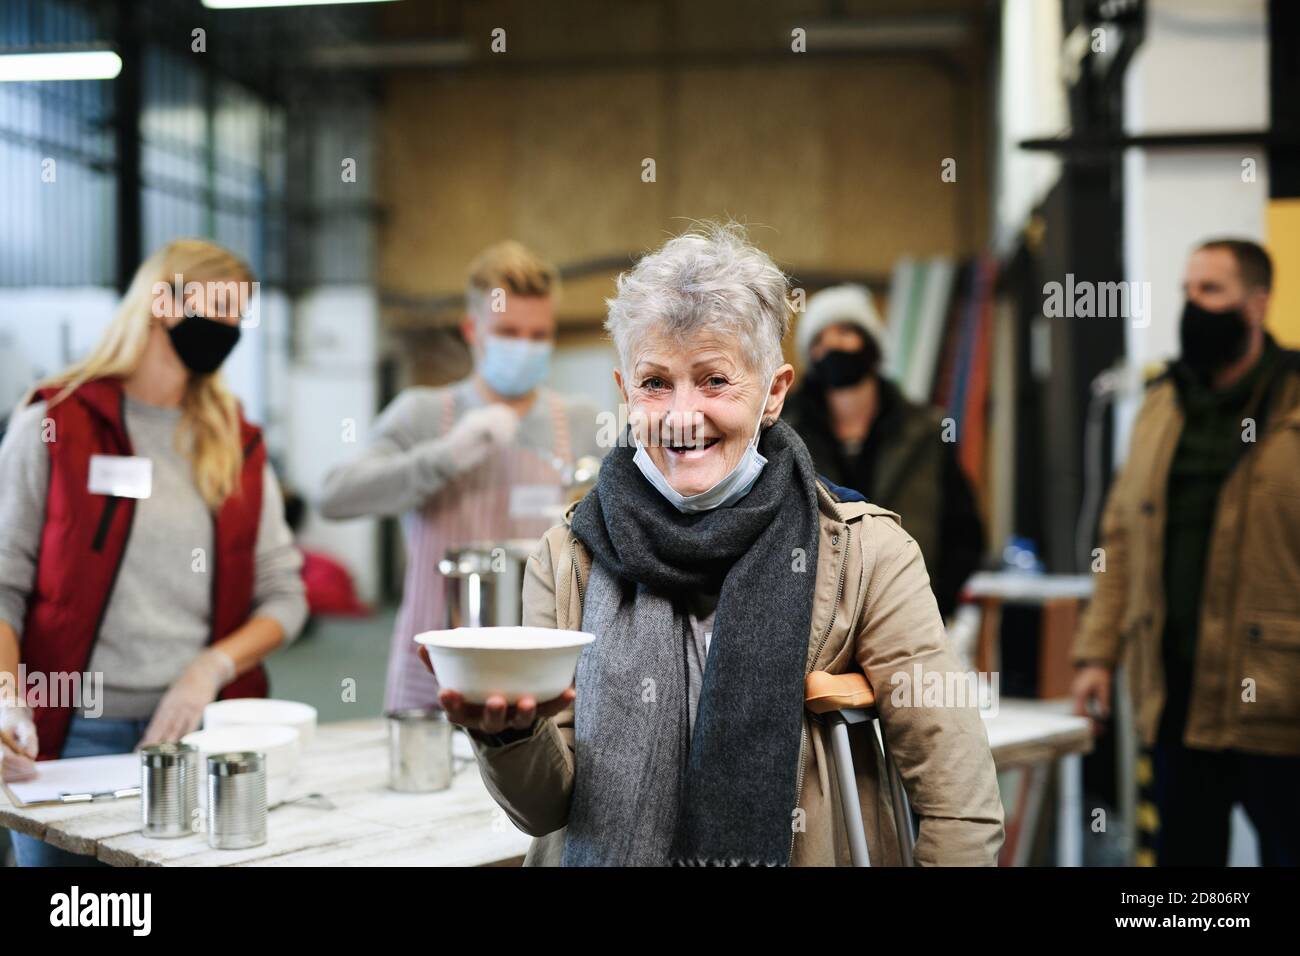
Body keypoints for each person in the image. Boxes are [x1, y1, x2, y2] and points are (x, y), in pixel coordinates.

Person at [432, 222, 1004, 866]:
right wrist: (509, 738)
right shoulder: (568, 558)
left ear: (774, 392)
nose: (682, 414)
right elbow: (544, 810)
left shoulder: (867, 553)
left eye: (714, 380)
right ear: (624, 393)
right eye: (655, 383)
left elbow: (960, 799)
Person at [0, 239, 307, 866]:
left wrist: (209, 669)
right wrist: (5, 698)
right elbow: (4, 584)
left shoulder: (236, 441)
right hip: (68, 734)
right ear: (162, 302)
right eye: (215, 307)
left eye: (237, 316)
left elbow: (286, 594)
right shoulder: (57, 421)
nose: (225, 328)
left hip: (200, 734)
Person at [1071, 238, 1300, 866]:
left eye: (1212, 291)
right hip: (1174, 696)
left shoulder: (1292, 404)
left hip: (1279, 703)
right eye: (1188, 290)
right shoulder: (1162, 404)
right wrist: (1096, 652)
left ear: (1257, 304)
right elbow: (1119, 537)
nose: (1194, 305)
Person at [320, 241, 604, 711]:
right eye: (509, 332)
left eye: (539, 335)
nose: (525, 346)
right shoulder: (426, 415)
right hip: (437, 657)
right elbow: (336, 497)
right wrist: (447, 455)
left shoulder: (580, 422)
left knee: (536, 777)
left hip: (541, 656)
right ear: (473, 329)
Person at [784, 285, 984, 619]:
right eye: (819, 340)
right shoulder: (784, 436)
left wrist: (934, 606)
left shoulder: (926, 432)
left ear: (872, 344)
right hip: (812, 625)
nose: (832, 346)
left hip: (906, 617)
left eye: (845, 332)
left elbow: (965, 534)